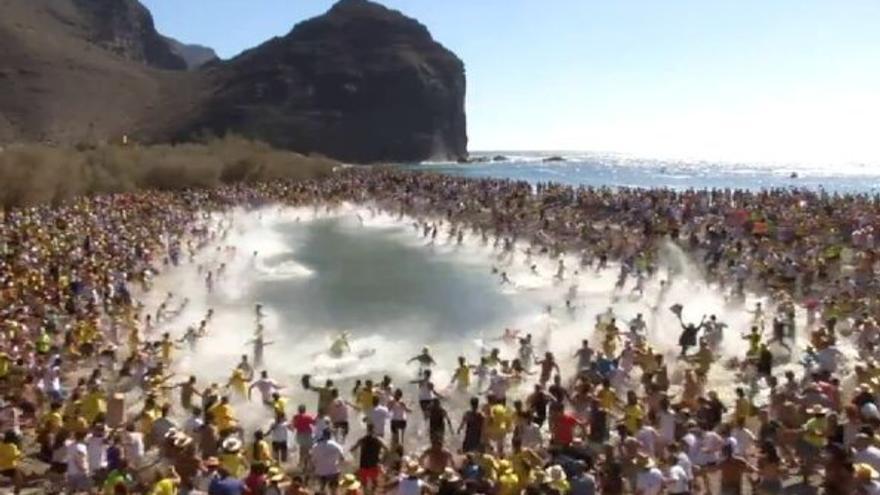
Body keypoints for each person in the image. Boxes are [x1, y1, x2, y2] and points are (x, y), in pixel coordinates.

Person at [350, 423, 386, 495]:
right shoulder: (378, 440)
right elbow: (387, 449)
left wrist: (354, 459)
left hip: (363, 465)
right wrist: (382, 458)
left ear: (367, 430)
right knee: (374, 482)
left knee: (364, 483)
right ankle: (372, 493)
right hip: (373, 464)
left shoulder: (363, 439)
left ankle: (366, 493)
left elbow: (352, 449)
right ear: (374, 430)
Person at [311, 429, 345, 495]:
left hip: (321, 471)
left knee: (322, 489)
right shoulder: (336, 445)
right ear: (330, 435)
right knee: (334, 490)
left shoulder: (315, 446)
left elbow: (313, 460)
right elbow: (342, 458)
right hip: (333, 470)